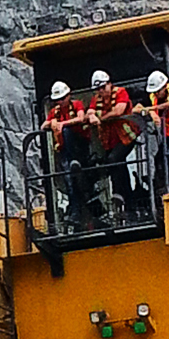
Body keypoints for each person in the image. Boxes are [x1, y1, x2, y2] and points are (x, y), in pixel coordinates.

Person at [79, 68, 137, 226]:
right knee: (119, 166)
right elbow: (89, 112)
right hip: (110, 141)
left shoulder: (121, 93)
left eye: (103, 88)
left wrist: (100, 118)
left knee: (113, 160)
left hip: (126, 137)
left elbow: (118, 110)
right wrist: (91, 116)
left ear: (109, 84)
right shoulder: (96, 99)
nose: (101, 91)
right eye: (98, 89)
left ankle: (119, 194)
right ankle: (129, 204)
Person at [41, 81, 87, 226]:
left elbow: (81, 118)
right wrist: (52, 123)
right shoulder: (55, 112)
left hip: (80, 146)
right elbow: (43, 126)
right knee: (69, 179)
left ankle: (75, 161)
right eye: (58, 100)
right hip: (64, 151)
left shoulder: (77, 105)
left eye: (62, 98)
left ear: (68, 96)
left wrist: (63, 124)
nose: (60, 102)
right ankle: (75, 211)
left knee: (67, 132)